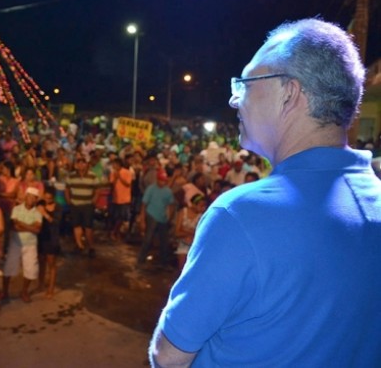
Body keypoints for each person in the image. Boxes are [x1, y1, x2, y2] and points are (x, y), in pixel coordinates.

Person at [150, 19, 381, 366]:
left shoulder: (240, 215)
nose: (233, 98)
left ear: (290, 92)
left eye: (246, 82)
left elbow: (167, 357)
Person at [2, 187, 43, 303]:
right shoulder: (16, 209)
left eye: (33, 197)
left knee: (30, 269)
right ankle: (5, 292)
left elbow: (38, 230)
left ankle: (24, 291)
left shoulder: (38, 212)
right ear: (25, 196)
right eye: (29, 196)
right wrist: (30, 227)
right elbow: (14, 227)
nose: (31, 199)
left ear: (36, 200)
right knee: (9, 267)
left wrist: (21, 224)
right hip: (16, 242)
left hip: (30, 244)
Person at [136, 169, 176, 269]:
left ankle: (163, 262)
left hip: (162, 217)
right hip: (151, 215)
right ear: (157, 179)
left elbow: (171, 205)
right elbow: (144, 204)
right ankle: (141, 260)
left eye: (164, 181)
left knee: (164, 241)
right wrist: (142, 219)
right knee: (148, 238)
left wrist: (169, 216)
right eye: (161, 180)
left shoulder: (168, 191)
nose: (162, 182)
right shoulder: (151, 189)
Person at [65, 157, 101, 257]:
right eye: (79, 163)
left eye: (83, 163)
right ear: (76, 165)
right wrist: (68, 200)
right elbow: (67, 189)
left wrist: (94, 200)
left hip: (87, 204)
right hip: (75, 204)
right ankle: (79, 245)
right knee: (76, 225)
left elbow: (97, 190)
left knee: (88, 227)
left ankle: (91, 247)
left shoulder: (92, 176)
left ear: (86, 164)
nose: (81, 165)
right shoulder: (71, 176)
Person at [37, 187, 63, 298]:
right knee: (41, 261)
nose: (47, 200)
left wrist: (45, 214)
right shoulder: (40, 205)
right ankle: (41, 284)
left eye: (49, 198)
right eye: (45, 197)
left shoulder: (58, 207)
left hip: (52, 237)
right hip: (41, 237)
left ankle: (51, 288)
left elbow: (57, 222)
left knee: (51, 264)